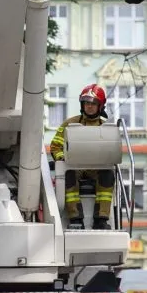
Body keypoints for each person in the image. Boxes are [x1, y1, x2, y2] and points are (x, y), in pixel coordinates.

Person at [49, 84, 115, 230]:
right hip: (74, 167)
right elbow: (55, 146)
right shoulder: (69, 124)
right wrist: (61, 158)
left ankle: (101, 220)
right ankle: (76, 219)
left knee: (108, 175)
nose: (89, 106)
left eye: (93, 103)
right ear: (82, 105)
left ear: (100, 106)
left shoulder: (106, 128)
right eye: (86, 103)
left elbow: (112, 150)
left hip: (97, 168)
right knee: (69, 175)